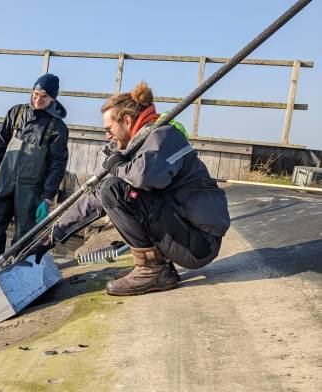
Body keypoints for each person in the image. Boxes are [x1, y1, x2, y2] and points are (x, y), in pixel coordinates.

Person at [33, 82, 230, 295]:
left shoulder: (164, 136)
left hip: (199, 243)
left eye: (109, 129)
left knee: (115, 189)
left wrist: (118, 166)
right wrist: (54, 235)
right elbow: (97, 198)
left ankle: (150, 269)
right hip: (183, 233)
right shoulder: (140, 146)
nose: (107, 136)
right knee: (111, 190)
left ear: (127, 121)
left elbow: (147, 176)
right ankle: (156, 266)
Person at [0, 74, 69, 262]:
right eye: (35, 94)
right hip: (5, 182)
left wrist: (47, 198)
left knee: (24, 238)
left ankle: (15, 268)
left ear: (53, 99)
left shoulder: (57, 128)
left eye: (44, 96)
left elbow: (57, 165)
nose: (38, 99)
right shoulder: (16, 113)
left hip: (31, 189)